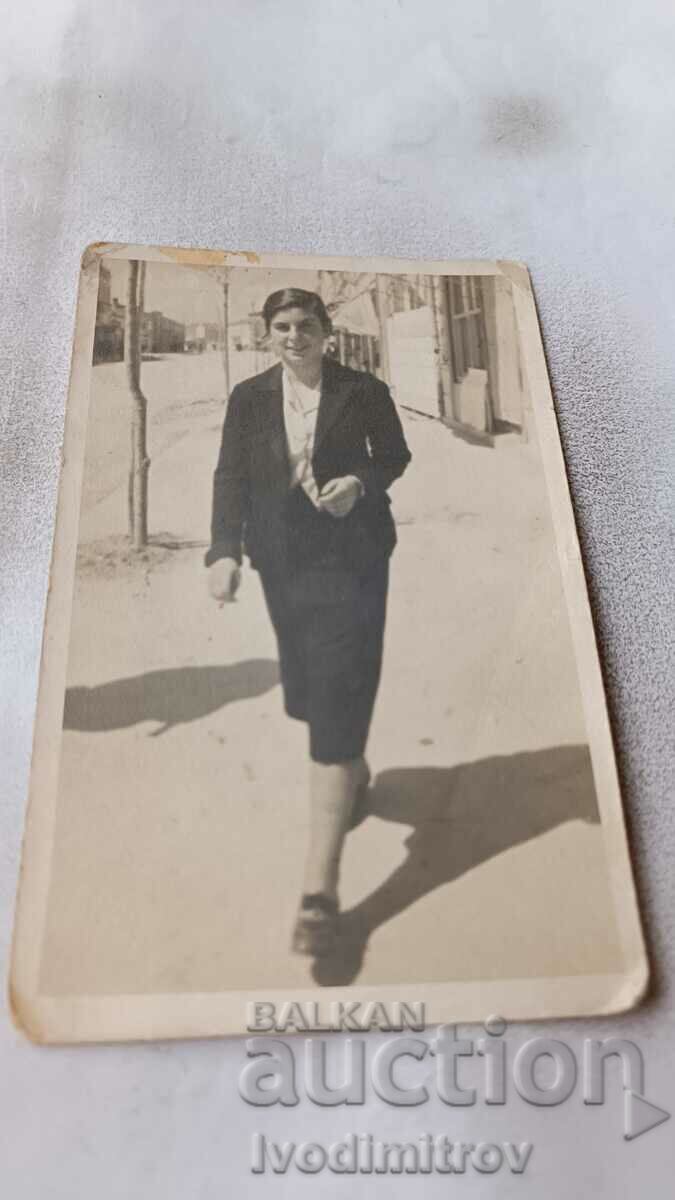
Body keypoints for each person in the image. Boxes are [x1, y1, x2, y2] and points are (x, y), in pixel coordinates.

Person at [206, 287, 411, 956]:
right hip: (282, 565)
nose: (292, 337)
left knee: (336, 694)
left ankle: (318, 892)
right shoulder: (248, 397)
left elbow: (394, 456)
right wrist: (225, 551)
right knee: (306, 691)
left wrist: (359, 483)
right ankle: (351, 771)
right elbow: (229, 477)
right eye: (280, 327)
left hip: (353, 559)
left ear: (327, 332)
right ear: (267, 335)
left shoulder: (362, 389)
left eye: (304, 326)